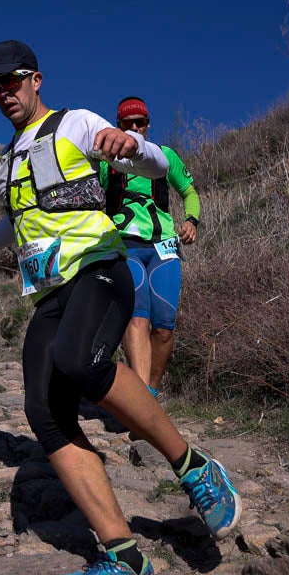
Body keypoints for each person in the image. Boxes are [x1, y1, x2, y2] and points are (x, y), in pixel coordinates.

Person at [0, 40, 240, 575]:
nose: (3, 92)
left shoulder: (76, 124)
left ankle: (195, 468)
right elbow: (15, 221)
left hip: (99, 269)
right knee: (44, 413)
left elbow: (153, 163)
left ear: (36, 79)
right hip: (51, 293)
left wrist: (133, 144)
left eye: (12, 80)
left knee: (80, 361)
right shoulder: (7, 161)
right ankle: (125, 558)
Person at [101, 97, 200, 397]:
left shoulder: (165, 156)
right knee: (137, 318)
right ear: (118, 126)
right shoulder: (106, 161)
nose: (134, 127)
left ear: (148, 124)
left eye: (139, 122)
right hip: (124, 246)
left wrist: (191, 221)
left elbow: (189, 192)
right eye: (127, 123)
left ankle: (151, 394)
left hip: (164, 248)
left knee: (164, 328)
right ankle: (141, 398)